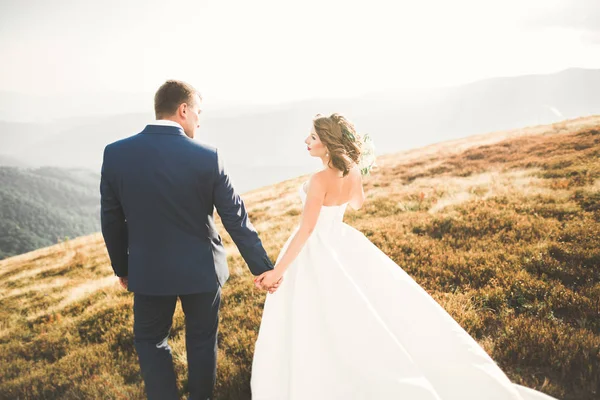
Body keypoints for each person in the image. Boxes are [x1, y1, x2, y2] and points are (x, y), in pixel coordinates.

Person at [250, 113, 558, 400]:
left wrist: (277, 272)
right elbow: (356, 203)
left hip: (316, 248)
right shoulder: (353, 172)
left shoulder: (319, 180)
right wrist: (354, 175)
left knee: (314, 314)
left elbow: (306, 230)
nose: (307, 141)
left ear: (329, 144)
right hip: (342, 242)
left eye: (313, 138)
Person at [100, 80, 281, 400]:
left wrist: (123, 268)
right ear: (183, 110)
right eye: (198, 111)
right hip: (202, 271)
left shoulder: (116, 154)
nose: (199, 119)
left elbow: (112, 220)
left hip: (149, 272)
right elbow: (235, 218)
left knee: (150, 340)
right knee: (201, 342)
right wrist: (262, 267)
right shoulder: (209, 156)